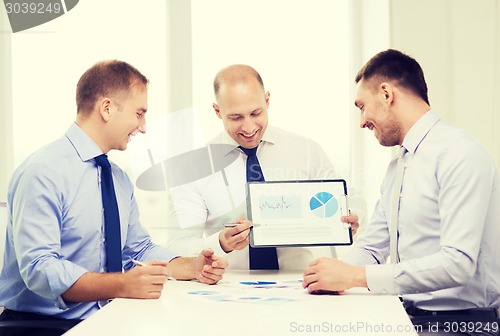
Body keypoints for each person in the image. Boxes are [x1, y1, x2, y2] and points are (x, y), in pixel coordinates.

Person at [0, 60, 228, 331]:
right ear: (107, 108)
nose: (143, 127)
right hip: (39, 326)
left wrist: (192, 267)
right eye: (139, 113)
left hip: (106, 320)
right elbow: (40, 269)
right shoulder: (43, 172)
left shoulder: (118, 178)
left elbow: (138, 249)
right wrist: (122, 284)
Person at [303, 49, 500, 334]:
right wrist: (325, 273)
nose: (362, 122)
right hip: (410, 317)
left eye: (361, 106)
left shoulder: (460, 153)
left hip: (463, 324)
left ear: (386, 94)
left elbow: (458, 264)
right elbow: (372, 247)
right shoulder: (399, 166)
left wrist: (356, 276)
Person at [166, 64, 365, 270]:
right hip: (230, 292)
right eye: (236, 117)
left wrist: (354, 216)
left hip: (304, 286)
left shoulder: (306, 151)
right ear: (218, 111)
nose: (249, 127)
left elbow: (352, 199)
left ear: (267, 100)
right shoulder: (194, 169)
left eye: (255, 113)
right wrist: (220, 243)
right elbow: (176, 248)